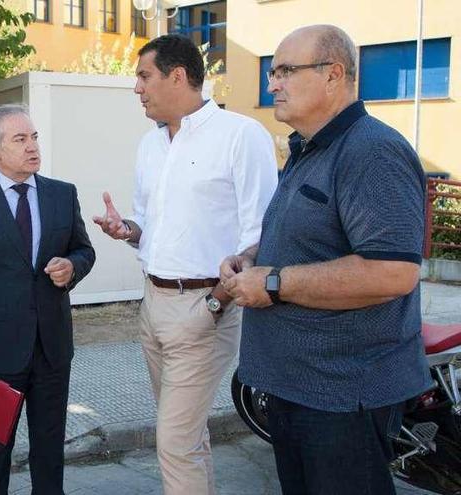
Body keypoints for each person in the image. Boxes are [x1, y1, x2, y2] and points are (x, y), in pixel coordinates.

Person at [220, 25, 432, 495]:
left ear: (334, 75)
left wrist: (272, 282)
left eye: (285, 71)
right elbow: (308, 239)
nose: (271, 84)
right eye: (272, 72)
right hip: (298, 390)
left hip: (342, 397)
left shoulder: (372, 151)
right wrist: (250, 259)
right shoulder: (307, 150)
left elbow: (393, 272)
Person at [93, 35, 278, 494]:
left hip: (205, 306)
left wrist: (214, 307)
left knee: (173, 441)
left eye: (144, 76)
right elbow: (152, 227)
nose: (137, 88)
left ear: (178, 76)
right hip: (152, 305)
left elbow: (261, 235)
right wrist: (128, 230)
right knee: (184, 436)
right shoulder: (149, 146)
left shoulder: (241, 135)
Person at [0, 104, 95, 495]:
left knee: (49, 450)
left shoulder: (62, 194)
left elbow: (84, 250)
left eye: (34, 137)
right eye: (20, 139)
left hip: (52, 347)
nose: (32, 147)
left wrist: (71, 267)